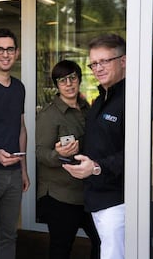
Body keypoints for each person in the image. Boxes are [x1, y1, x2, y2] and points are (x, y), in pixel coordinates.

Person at [62, 34, 126, 259]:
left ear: (123, 61)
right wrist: (73, 152)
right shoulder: (100, 100)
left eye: (104, 61)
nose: (97, 68)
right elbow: (101, 143)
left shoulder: (132, 99)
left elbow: (137, 154)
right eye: (93, 63)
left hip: (118, 202)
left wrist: (97, 167)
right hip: (96, 198)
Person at [35, 60, 100, 259]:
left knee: (102, 241)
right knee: (61, 249)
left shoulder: (88, 109)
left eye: (72, 78)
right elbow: (39, 152)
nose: (69, 84)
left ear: (79, 79)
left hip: (87, 192)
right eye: (62, 80)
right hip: (60, 195)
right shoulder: (49, 115)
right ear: (57, 85)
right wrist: (59, 154)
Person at [0, 28, 30, 259]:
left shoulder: (19, 88)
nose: (5, 54)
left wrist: (23, 170)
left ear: (17, 53)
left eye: (10, 49)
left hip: (12, 175)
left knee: (9, 235)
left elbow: (21, 128)